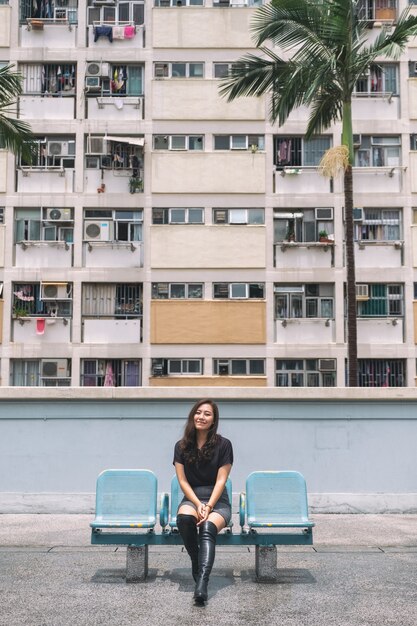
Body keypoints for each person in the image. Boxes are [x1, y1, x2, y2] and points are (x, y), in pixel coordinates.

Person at [173, 399, 233, 605]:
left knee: (207, 527)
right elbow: (182, 480)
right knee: (184, 519)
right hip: (192, 497)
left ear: (214, 420)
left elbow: (221, 480)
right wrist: (198, 504)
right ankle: (196, 562)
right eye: (198, 412)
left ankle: (202, 584)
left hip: (218, 500)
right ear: (192, 416)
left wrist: (208, 506)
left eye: (207, 414)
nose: (202, 417)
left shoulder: (224, 445)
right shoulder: (181, 446)